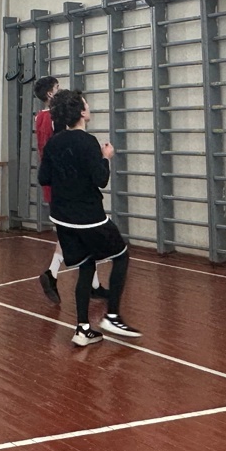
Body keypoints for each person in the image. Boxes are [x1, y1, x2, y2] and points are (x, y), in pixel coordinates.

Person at [37, 89, 140, 346]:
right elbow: (100, 179)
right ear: (82, 112)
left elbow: (44, 177)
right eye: (86, 104)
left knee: (86, 265)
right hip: (88, 217)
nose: (89, 106)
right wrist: (105, 158)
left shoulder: (54, 143)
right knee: (121, 256)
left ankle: (83, 329)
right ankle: (112, 316)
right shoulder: (88, 142)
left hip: (62, 218)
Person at [33, 77, 105, 306]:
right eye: (57, 88)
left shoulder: (39, 117)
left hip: (54, 179)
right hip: (64, 183)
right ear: (50, 94)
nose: (61, 90)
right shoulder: (57, 120)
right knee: (78, 232)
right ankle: (53, 273)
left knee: (74, 234)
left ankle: (92, 285)